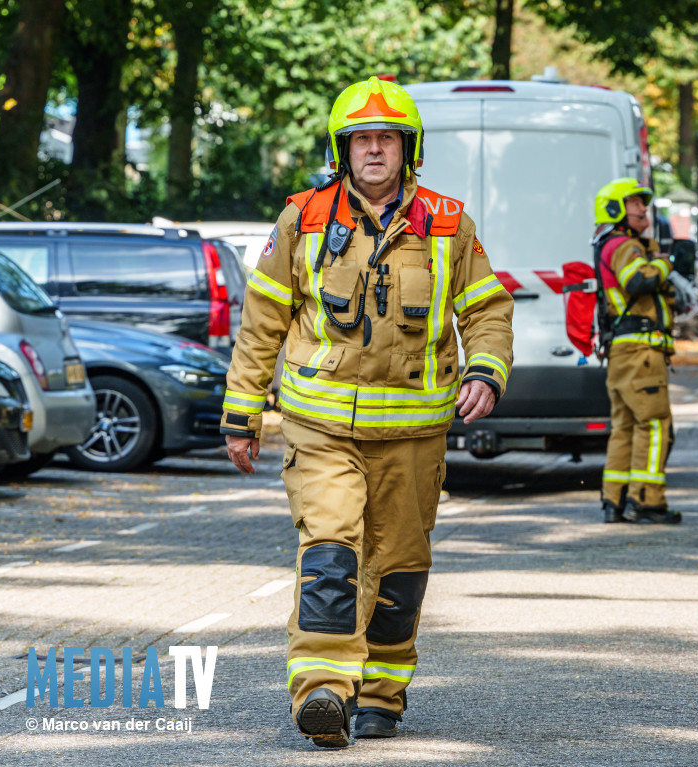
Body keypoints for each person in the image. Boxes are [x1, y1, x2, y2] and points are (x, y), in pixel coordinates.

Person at [220, 77, 514, 747]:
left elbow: (488, 308)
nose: (374, 150)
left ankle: (381, 693)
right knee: (332, 549)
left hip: (414, 430)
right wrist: (241, 415)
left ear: (407, 149)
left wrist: (486, 370)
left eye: (386, 138)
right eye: (362, 140)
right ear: (342, 149)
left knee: (400, 562)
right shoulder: (303, 218)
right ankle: (323, 690)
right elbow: (262, 322)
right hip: (319, 426)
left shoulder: (448, 222)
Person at [595, 178, 687, 525]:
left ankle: (614, 500)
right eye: (634, 203)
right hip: (640, 351)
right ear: (616, 209)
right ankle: (647, 501)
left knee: (626, 427)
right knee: (654, 425)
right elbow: (637, 281)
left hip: (624, 352)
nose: (642, 209)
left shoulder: (611, 244)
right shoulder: (625, 246)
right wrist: (665, 264)